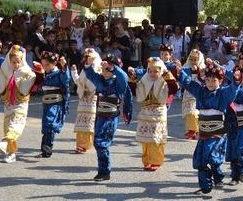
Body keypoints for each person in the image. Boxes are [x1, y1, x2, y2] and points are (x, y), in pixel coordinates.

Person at [179, 63, 241, 195]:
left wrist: (236, 80)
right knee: (200, 160)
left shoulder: (223, 93)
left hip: (218, 134)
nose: (211, 83)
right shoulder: (201, 91)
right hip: (203, 133)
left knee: (212, 157)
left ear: (221, 80)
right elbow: (189, 83)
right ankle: (208, 184)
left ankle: (214, 180)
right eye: (208, 79)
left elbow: (233, 90)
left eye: (214, 80)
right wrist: (180, 72)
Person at [0, 45, 43, 163]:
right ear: (9, 61)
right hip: (8, 105)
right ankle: (11, 153)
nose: (16, 65)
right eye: (13, 62)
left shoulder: (27, 72)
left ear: (22, 61)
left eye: (18, 62)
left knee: (15, 125)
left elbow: (36, 83)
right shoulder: (4, 72)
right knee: (8, 127)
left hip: (21, 104)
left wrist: (39, 73)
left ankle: (4, 143)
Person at [81, 53, 130, 182]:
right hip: (100, 117)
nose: (104, 72)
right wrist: (89, 63)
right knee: (98, 142)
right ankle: (102, 170)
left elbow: (124, 77)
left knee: (101, 143)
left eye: (107, 69)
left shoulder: (118, 83)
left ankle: (104, 171)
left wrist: (113, 68)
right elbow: (90, 74)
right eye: (103, 69)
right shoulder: (100, 81)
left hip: (110, 118)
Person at [127, 56, 179, 171]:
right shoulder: (144, 80)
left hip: (159, 112)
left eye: (156, 71)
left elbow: (174, 88)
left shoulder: (165, 81)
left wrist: (167, 75)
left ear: (161, 71)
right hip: (145, 112)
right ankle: (146, 160)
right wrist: (132, 77)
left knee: (156, 138)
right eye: (150, 71)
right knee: (146, 138)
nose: (152, 73)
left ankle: (155, 161)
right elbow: (134, 90)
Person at [38, 51, 70, 158]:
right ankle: (45, 147)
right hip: (46, 102)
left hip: (56, 103)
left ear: (54, 63)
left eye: (47, 64)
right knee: (46, 124)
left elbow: (66, 80)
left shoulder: (60, 73)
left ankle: (47, 147)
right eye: (43, 64)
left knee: (50, 123)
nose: (45, 67)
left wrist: (64, 66)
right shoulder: (43, 73)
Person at [71, 48, 101, 153]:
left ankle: (86, 144)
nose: (88, 60)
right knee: (81, 122)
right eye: (87, 58)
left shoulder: (98, 69)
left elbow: (99, 84)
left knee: (89, 122)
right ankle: (80, 144)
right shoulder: (84, 69)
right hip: (83, 99)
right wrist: (74, 72)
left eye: (90, 58)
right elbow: (79, 82)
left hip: (93, 98)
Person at [182, 49, 206, 140]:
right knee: (189, 112)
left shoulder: (203, 68)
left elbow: (205, 80)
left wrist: (199, 72)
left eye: (195, 59)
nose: (193, 62)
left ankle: (194, 130)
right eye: (191, 59)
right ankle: (190, 130)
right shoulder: (186, 67)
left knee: (194, 112)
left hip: (198, 92)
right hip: (188, 93)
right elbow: (183, 77)